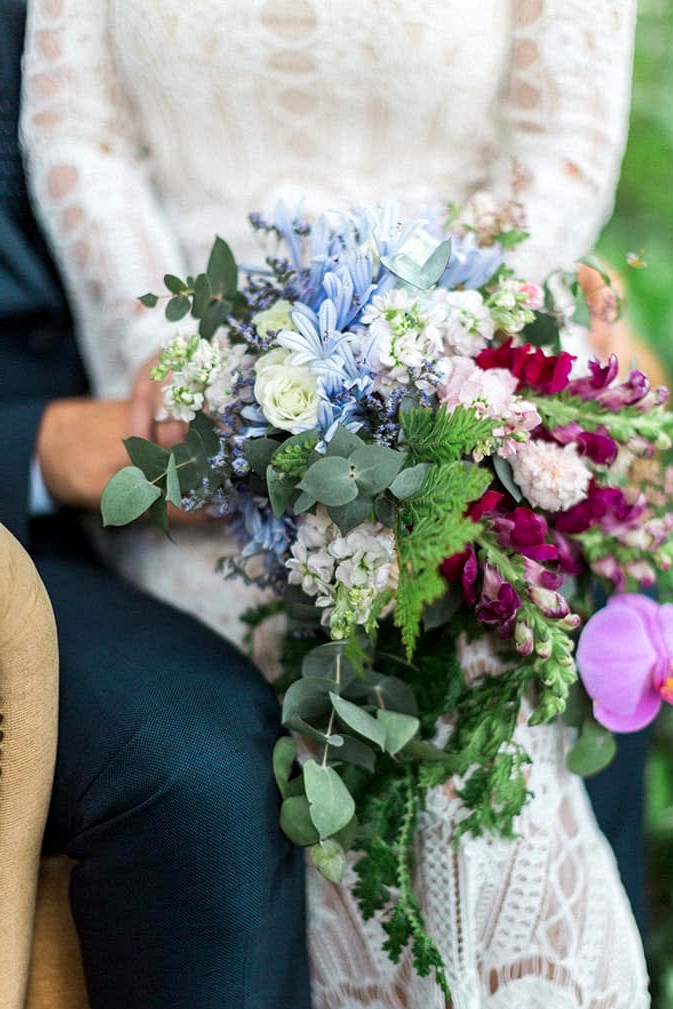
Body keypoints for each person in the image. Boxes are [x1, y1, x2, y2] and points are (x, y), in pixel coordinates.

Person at [18, 1, 652, 1006]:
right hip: (197, 399)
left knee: (483, 688)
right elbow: (77, 135)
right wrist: (167, 369)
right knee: (249, 721)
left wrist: (441, 360)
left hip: (458, 380)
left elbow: (561, 145)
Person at [0, 4, 311, 1009]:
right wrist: (39, 442)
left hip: (238, 400)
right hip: (39, 499)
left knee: (545, 619)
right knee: (199, 763)